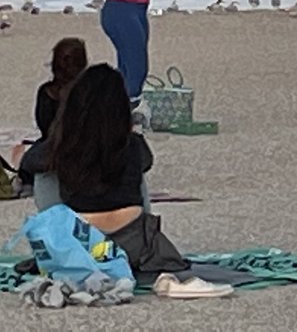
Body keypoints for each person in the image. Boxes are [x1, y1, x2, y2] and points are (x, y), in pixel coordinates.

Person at [46, 64, 228, 294]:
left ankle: (58, 240)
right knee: (136, 174)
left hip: (82, 242)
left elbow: (30, 163)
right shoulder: (132, 145)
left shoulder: (65, 146)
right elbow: (146, 162)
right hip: (135, 242)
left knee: (46, 175)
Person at [17, 38, 88, 186]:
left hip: (53, 148)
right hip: (86, 150)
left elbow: (43, 125)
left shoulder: (47, 92)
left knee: (29, 162)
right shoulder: (92, 90)